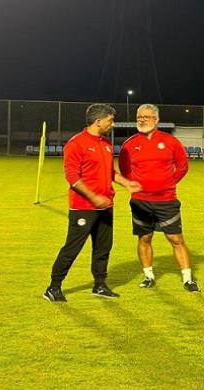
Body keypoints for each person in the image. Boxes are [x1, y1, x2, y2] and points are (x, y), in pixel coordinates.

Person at [44, 103, 141, 302]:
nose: (112, 125)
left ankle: (100, 285)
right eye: (110, 121)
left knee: (103, 248)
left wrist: (127, 183)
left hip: (106, 207)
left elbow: (110, 172)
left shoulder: (105, 144)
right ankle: (53, 287)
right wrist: (94, 197)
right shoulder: (76, 143)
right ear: (98, 121)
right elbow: (71, 176)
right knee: (72, 248)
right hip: (83, 207)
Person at [119, 104, 200, 292]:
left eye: (146, 117)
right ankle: (148, 276)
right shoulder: (129, 144)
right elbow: (125, 170)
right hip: (140, 201)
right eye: (139, 117)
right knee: (144, 238)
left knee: (176, 239)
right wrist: (136, 186)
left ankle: (188, 279)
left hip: (167, 200)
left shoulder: (170, 142)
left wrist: (169, 183)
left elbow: (182, 166)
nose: (142, 120)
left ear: (156, 120)